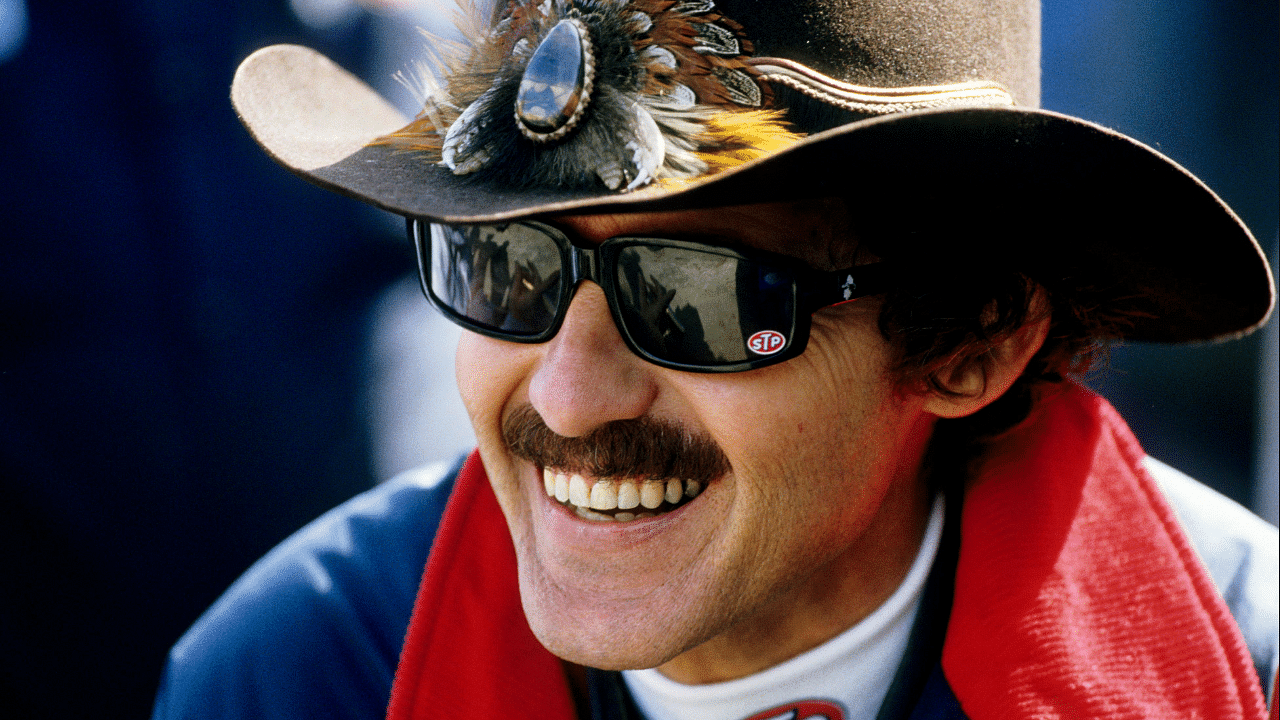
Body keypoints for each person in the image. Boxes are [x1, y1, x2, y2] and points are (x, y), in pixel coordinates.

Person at [153, 0, 1278, 718]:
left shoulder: (1244, 668)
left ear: (972, 337)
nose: (566, 394)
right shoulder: (295, 676)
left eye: (692, 297)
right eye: (508, 270)